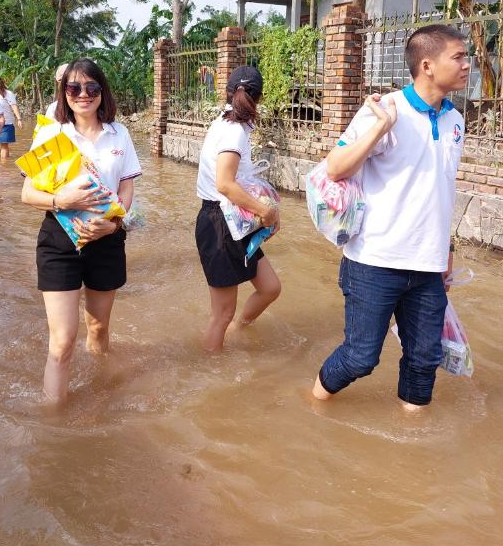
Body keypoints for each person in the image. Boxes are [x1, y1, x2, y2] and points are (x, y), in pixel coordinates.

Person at [312, 24, 469, 411]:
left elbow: (439, 192)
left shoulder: (455, 121)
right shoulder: (386, 110)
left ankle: (412, 452)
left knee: (424, 361)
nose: (468, 64)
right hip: (374, 262)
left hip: (428, 266)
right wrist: (380, 128)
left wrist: (444, 254)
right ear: (428, 65)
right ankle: (312, 404)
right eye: (459, 56)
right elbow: (335, 167)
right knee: (361, 358)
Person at [21, 58, 142, 402]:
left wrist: (114, 224)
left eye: (91, 87)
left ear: (102, 92)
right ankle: (53, 418)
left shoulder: (120, 134)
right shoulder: (51, 132)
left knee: (99, 328)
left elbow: (126, 190)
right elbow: (27, 193)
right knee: (61, 343)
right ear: (64, 93)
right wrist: (61, 199)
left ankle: (102, 392)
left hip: (106, 239)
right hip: (59, 240)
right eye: (74, 88)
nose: (83, 95)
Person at [195, 65, 281, 352]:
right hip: (219, 223)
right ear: (259, 97)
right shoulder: (234, 132)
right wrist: (266, 212)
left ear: (229, 92)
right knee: (221, 313)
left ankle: (237, 330)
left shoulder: (225, 122)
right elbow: (225, 184)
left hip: (235, 220)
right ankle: (213, 373)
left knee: (270, 287)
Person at [0, 76, 23, 160]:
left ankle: (4, 164)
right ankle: (3, 164)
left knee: (4, 145)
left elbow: (14, 106)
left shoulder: (8, 94)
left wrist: (19, 119)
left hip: (7, 123)